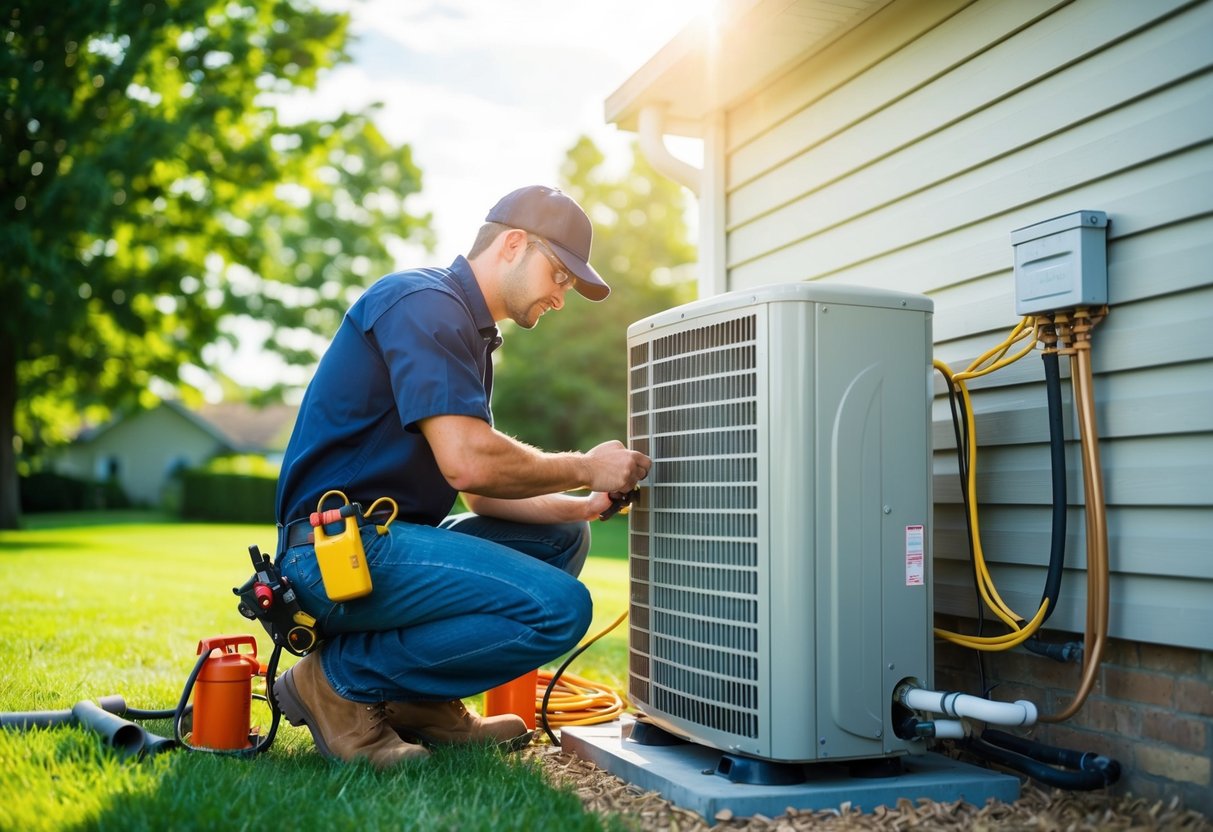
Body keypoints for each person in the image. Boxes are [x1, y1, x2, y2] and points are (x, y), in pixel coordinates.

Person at [271, 185, 652, 768]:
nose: (561, 296)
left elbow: (479, 492)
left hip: (385, 545)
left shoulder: (468, 336)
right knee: (561, 609)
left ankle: (418, 701)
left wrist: (584, 503)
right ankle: (337, 682)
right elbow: (469, 461)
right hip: (333, 556)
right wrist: (585, 464)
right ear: (514, 244)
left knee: (563, 539)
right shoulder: (423, 303)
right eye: (559, 275)